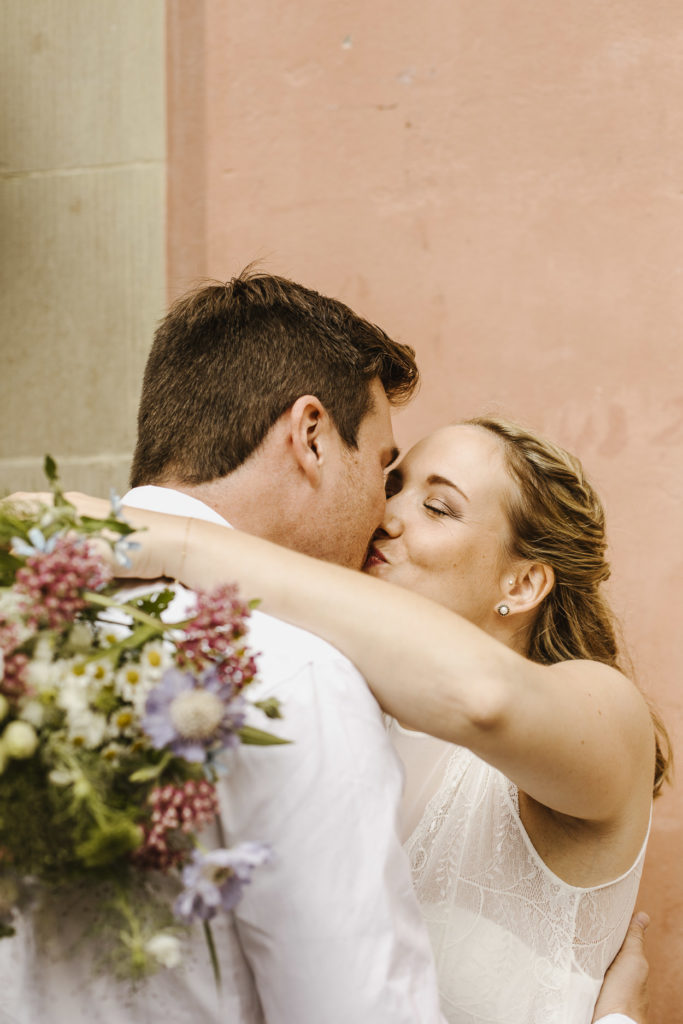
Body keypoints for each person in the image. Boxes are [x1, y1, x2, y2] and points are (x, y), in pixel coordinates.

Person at [74, 413, 670, 1023]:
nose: (386, 516)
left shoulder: (607, 710)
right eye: (393, 485)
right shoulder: (330, 696)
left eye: (438, 507)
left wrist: (179, 542)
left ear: (521, 584)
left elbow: (484, 697)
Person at [1, 271, 446, 1024]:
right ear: (309, 436)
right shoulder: (289, 670)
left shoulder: (22, 620)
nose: (383, 511)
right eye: (380, 466)